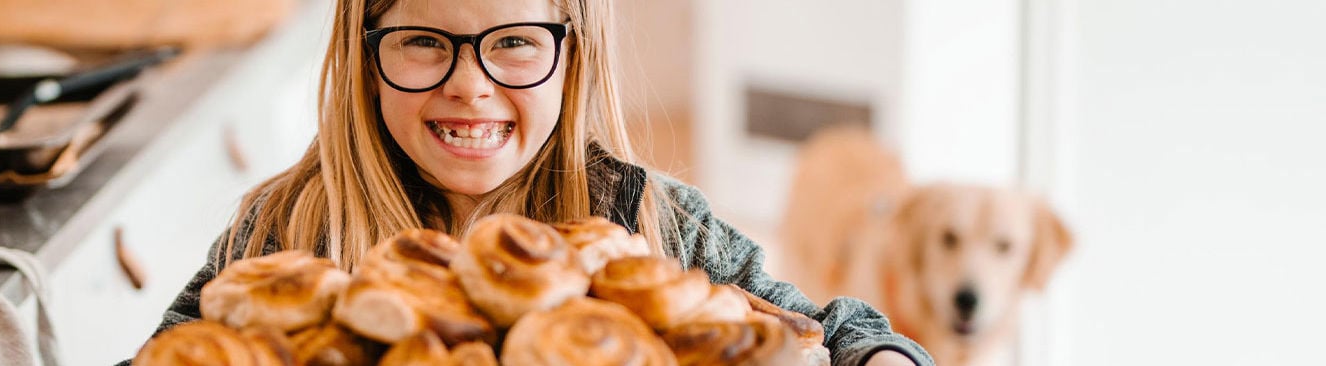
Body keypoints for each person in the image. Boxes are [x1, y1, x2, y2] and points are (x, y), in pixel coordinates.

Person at [133, 0, 929, 365]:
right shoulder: (286, 229)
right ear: (365, 51)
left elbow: (836, 331)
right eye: (421, 43)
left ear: (572, 53)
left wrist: (881, 359)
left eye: (513, 41)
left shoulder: (654, 223)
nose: (470, 86)